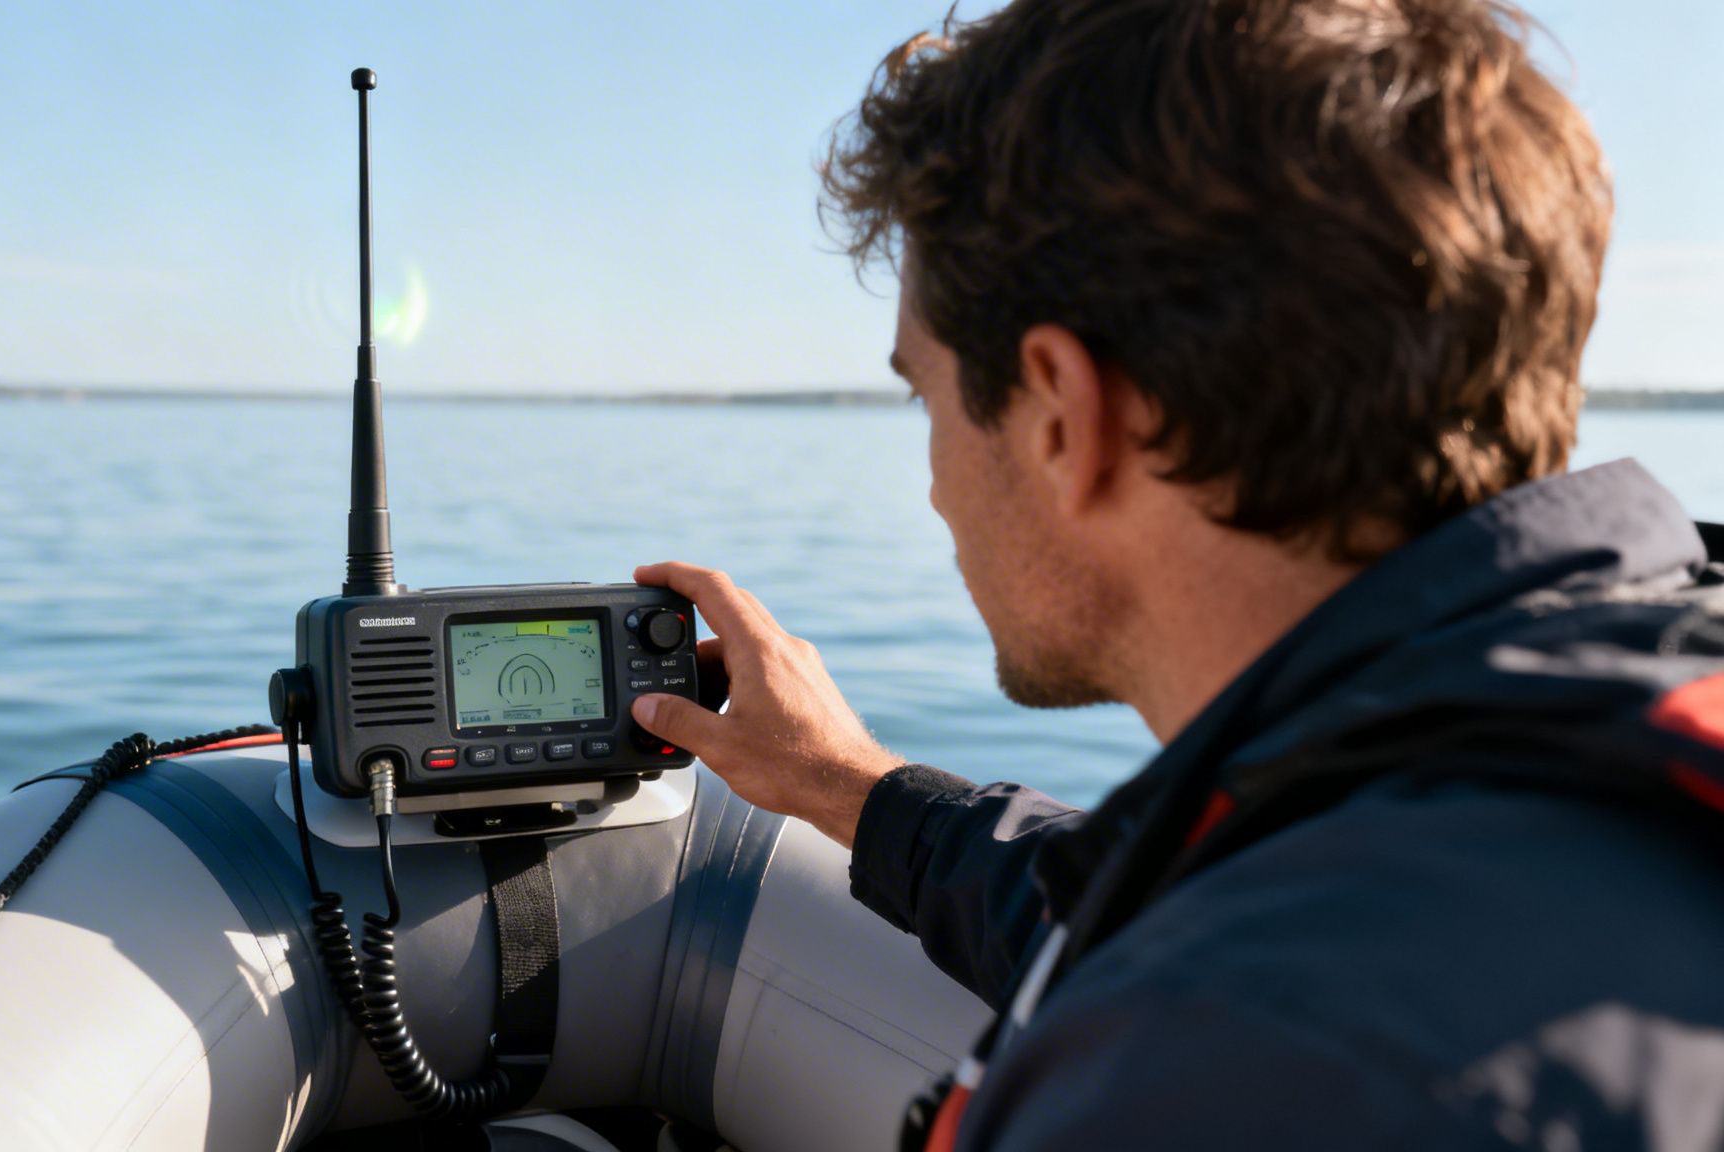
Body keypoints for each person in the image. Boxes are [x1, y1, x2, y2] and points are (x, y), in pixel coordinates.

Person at [628, 0, 1724, 1148]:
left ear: (1058, 413)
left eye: (928, 398)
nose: (938, 484)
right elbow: (1172, 907)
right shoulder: (1579, 748)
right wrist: (844, 783)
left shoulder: (1234, 1066)